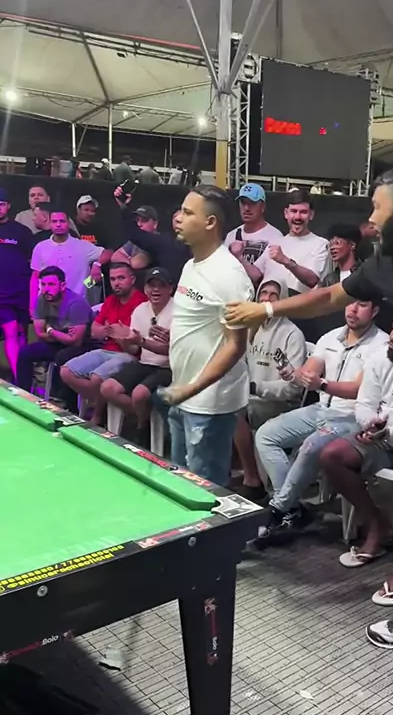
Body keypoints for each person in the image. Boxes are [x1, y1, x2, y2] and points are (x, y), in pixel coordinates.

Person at [225, 164, 393, 652]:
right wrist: (268, 309)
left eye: (376, 208)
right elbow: (328, 295)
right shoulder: (387, 262)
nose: (370, 219)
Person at [320, 316, 393, 599]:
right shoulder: (382, 357)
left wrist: (391, 432)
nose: (392, 338)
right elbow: (364, 404)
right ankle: (377, 525)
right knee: (332, 455)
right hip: (382, 434)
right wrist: (371, 424)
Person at [255, 301, 387, 547]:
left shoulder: (381, 345)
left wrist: (322, 384)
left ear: (375, 310)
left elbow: (360, 390)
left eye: (362, 305)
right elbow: (309, 372)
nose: (353, 310)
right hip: (321, 409)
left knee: (311, 446)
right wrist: (294, 374)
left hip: (352, 417)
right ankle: (292, 508)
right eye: (350, 303)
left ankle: (277, 509)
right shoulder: (330, 337)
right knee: (266, 435)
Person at [153, 185, 254, 487]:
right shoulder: (190, 266)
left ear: (210, 222)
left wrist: (191, 389)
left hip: (208, 403)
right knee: (182, 484)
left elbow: (235, 346)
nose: (178, 218)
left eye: (188, 213)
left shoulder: (229, 275)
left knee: (206, 489)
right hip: (183, 393)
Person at [234, 278, 306, 502]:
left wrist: (256, 387)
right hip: (250, 398)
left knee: (234, 413)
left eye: (274, 295)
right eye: (263, 293)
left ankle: (252, 481)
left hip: (281, 404)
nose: (266, 298)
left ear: (283, 299)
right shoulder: (252, 328)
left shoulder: (292, 334)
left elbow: (293, 388)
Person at [60, 263, 146, 424]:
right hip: (106, 350)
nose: (116, 283)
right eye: (113, 279)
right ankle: (101, 402)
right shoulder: (111, 300)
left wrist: (111, 331)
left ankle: (98, 415)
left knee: (96, 377)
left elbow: (132, 344)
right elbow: (94, 332)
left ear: (132, 279)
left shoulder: (141, 302)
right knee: (66, 371)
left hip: (129, 356)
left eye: (121, 278)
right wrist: (115, 330)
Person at [100, 267, 173, 442]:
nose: (155, 290)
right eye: (151, 285)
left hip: (168, 366)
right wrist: (124, 340)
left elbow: (170, 350)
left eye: (161, 285)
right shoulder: (140, 310)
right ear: (145, 289)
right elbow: (133, 350)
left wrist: (141, 341)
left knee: (139, 394)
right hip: (144, 362)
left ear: (170, 289)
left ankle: (141, 429)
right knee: (107, 388)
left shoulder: (179, 311)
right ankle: (142, 418)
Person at [16, 266, 91, 392]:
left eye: (51, 284)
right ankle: (24, 393)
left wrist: (50, 330)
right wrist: (64, 336)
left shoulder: (75, 304)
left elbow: (76, 341)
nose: (46, 289)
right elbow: (40, 333)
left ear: (62, 286)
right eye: (43, 284)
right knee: (25, 353)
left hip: (83, 346)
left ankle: (61, 399)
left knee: (62, 356)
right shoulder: (41, 300)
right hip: (57, 343)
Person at [257, 189, 331, 294]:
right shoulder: (275, 243)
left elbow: (313, 280)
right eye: (293, 211)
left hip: (301, 303)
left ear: (311, 215)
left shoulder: (321, 244)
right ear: (286, 213)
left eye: (303, 212)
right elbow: (256, 274)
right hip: (271, 303)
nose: (297, 217)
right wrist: (239, 258)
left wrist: (285, 260)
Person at [30, 211, 105, 310]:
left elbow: (108, 253)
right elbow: (35, 277)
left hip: (77, 305)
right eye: (54, 221)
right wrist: (32, 305)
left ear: (68, 223)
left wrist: (97, 265)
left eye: (62, 221)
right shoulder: (40, 247)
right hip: (47, 306)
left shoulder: (83, 246)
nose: (58, 224)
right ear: (49, 224)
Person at [116, 194, 191, 287]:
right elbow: (135, 234)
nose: (178, 219)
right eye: (175, 216)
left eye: (183, 216)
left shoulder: (202, 243)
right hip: (170, 292)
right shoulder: (164, 241)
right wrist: (124, 207)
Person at [0, 188, 33, 376]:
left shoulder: (22, 231)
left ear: (8, 206)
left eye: (2, 204)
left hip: (21, 291)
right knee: (11, 331)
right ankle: (18, 377)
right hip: (1, 294)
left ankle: (22, 377)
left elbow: (31, 260)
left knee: (21, 334)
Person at [224, 183, 283, 283]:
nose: (247, 208)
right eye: (243, 203)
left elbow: (261, 277)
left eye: (252, 203)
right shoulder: (231, 235)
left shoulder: (275, 237)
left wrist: (239, 257)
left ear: (262, 206)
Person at [111, 204, 158, 274]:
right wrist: (129, 261)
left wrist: (127, 259)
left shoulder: (157, 241)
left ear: (155, 224)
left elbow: (137, 263)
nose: (139, 224)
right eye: (137, 220)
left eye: (144, 220)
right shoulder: (135, 240)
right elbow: (115, 256)